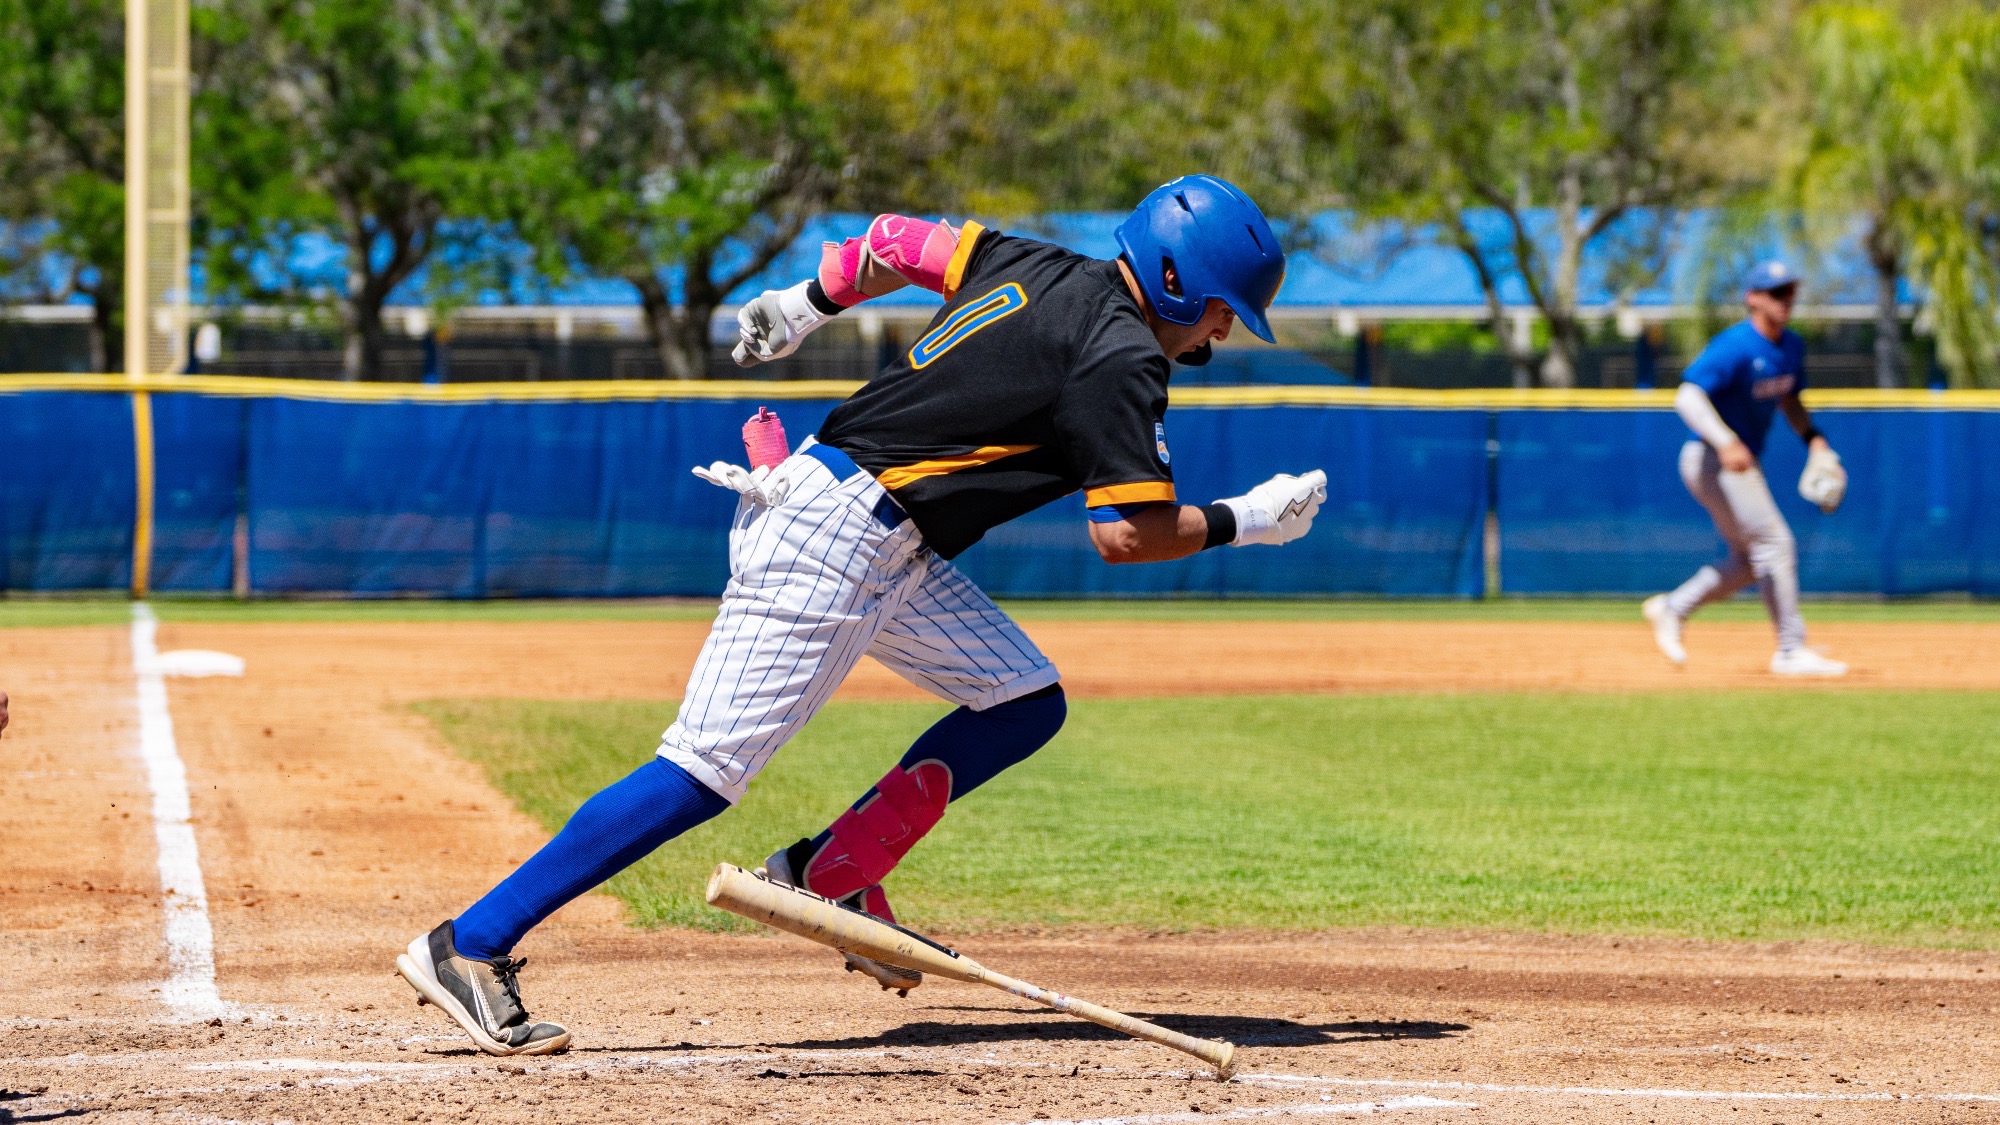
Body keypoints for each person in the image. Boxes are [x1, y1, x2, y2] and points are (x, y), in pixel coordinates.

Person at [394, 175, 1331, 1056]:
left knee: (1022, 698)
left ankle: (827, 870)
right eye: (1219, 310)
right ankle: (471, 943)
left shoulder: (1036, 261)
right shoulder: (1122, 353)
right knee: (702, 770)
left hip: (877, 533)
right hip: (838, 541)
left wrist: (807, 302)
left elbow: (891, 242)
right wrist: (1246, 521)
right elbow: (1127, 534)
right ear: (1174, 279)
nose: (1218, 335)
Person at [1642, 261, 1847, 676]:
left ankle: (1672, 608)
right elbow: (1688, 397)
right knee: (1775, 543)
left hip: (1736, 462)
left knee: (1752, 562)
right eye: (1776, 292)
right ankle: (1790, 649)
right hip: (1711, 460)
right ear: (1752, 298)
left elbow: (1790, 400)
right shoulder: (1735, 346)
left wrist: (1813, 438)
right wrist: (1725, 440)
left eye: (1789, 291)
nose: (1786, 299)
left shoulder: (1790, 347)